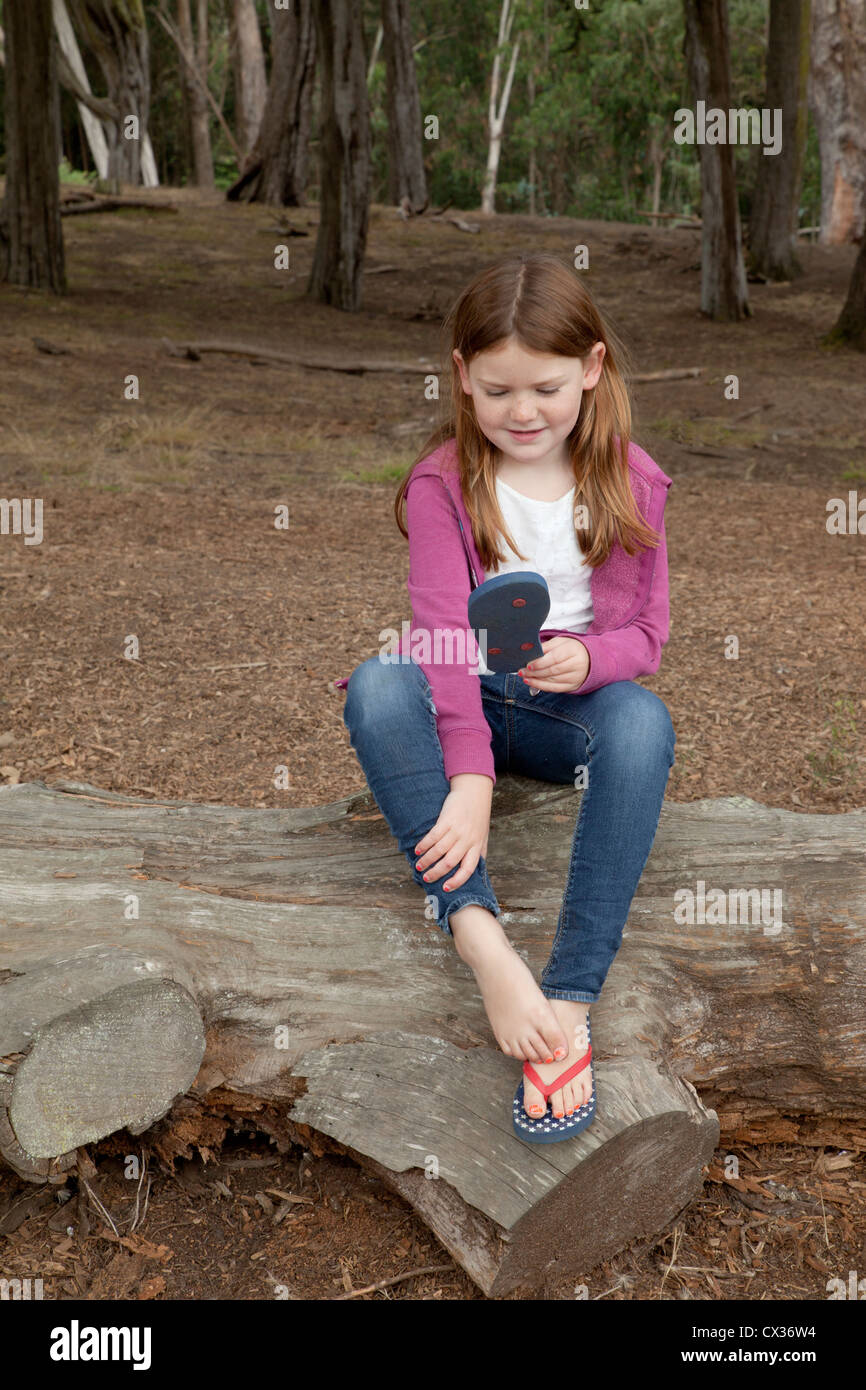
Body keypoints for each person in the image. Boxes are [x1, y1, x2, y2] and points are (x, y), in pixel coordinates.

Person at [333, 251, 675, 1141]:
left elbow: (648, 640)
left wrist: (591, 660)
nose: (522, 412)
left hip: (567, 717)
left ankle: (568, 997)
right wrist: (470, 781)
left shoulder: (631, 482)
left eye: (547, 389)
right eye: (498, 391)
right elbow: (445, 640)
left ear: (593, 370)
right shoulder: (446, 482)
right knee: (377, 686)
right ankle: (482, 941)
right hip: (468, 701)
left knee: (642, 724)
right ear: (462, 379)